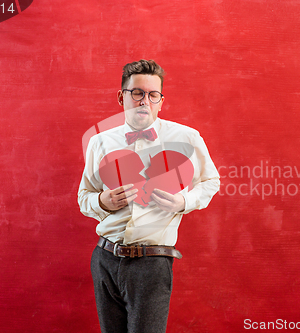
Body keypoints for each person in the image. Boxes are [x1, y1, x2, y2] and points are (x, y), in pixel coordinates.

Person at [78, 59, 220, 333]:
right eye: (137, 93)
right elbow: (84, 195)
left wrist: (184, 202)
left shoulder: (187, 138)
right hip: (104, 258)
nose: (145, 101)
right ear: (122, 97)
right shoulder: (100, 142)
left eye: (153, 95)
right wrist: (101, 202)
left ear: (161, 101)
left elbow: (211, 181)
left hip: (152, 263)